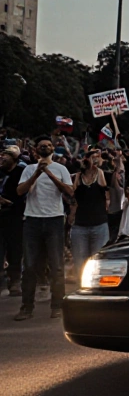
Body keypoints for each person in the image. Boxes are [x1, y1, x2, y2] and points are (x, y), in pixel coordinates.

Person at [14, 136, 75, 321]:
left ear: (52, 149)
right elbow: (20, 191)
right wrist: (37, 174)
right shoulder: (29, 169)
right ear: (35, 150)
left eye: (48, 145)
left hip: (54, 220)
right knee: (30, 265)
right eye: (42, 146)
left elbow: (70, 191)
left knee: (56, 266)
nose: (45, 148)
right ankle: (26, 307)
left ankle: (57, 306)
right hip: (32, 220)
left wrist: (49, 174)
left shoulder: (61, 168)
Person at [70, 147, 110, 280]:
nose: (94, 160)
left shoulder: (100, 173)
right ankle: (81, 285)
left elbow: (104, 188)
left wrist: (96, 167)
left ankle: (97, 287)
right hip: (80, 224)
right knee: (80, 260)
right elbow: (72, 195)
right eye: (91, 157)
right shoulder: (77, 176)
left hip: (99, 224)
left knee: (98, 258)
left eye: (96, 157)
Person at [0, 145, 26, 296]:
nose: (2, 157)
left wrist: (8, 202)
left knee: (15, 250)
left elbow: (23, 194)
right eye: (2, 154)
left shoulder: (21, 173)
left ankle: (15, 281)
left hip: (15, 217)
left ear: (15, 158)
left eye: (7, 155)